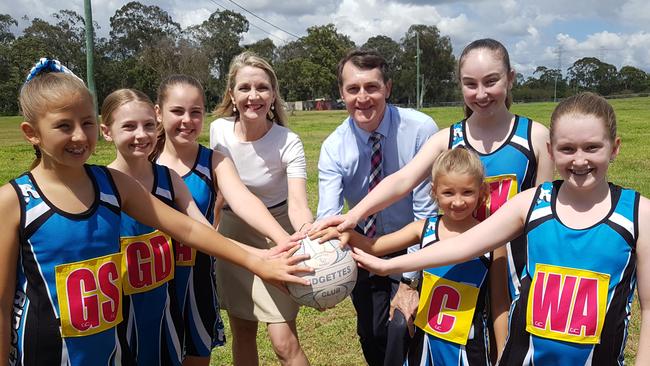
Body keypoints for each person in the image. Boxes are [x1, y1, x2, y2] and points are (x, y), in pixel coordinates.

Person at [0, 59, 310, 365]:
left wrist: (259, 260)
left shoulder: (113, 185)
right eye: (64, 126)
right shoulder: (14, 201)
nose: (80, 136)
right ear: (32, 132)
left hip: (113, 349)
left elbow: (189, 229)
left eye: (86, 122)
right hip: (43, 351)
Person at [352, 92, 650, 365]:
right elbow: (462, 245)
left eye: (592, 147)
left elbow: (648, 310)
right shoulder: (531, 203)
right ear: (551, 150)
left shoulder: (640, 214)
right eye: (567, 148)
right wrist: (387, 264)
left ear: (615, 148)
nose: (580, 159)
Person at [314, 40, 554, 354]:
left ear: (510, 78)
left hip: (511, 273)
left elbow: (543, 218)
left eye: (491, 81)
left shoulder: (536, 137)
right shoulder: (448, 139)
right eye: (470, 84)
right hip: (454, 270)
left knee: (510, 348)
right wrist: (353, 216)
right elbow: (401, 180)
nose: (481, 94)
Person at [100, 89, 298, 365]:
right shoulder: (100, 185)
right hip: (126, 303)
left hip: (182, 291)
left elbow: (202, 230)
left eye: (195, 112)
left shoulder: (172, 178)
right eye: (129, 126)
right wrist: (257, 258)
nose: (141, 134)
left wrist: (269, 249)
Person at [153, 74, 305, 366]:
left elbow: (244, 201)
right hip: (152, 283)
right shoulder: (145, 161)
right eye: (177, 111)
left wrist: (284, 241)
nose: (187, 120)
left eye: (195, 112)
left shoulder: (215, 161)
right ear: (158, 112)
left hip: (196, 282)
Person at [314, 147, 509, 364]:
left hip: (470, 349)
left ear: (482, 191)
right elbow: (374, 246)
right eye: (448, 192)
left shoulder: (492, 238)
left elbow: (500, 303)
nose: (457, 201)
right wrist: (342, 232)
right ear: (434, 192)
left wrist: (502, 351)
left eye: (467, 192)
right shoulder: (424, 229)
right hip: (425, 344)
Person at [316, 49, 439, 366]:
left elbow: (426, 213)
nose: (362, 98)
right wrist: (322, 271)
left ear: (388, 88)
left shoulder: (420, 129)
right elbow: (329, 218)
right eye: (352, 89)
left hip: (415, 244)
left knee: (406, 329)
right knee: (371, 335)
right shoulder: (333, 147)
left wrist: (410, 281)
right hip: (363, 250)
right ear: (342, 93)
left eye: (371, 87)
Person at [210, 52, 313, 366]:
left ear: (273, 95)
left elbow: (297, 204)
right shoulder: (219, 130)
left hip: (277, 235)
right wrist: (212, 232)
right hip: (233, 235)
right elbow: (219, 191)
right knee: (242, 329)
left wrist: (303, 239)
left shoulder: (288, 141)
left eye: (262, 88)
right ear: (232, 94)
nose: (253, 96)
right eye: (244, 88)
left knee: (284, 342)